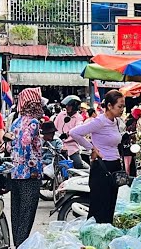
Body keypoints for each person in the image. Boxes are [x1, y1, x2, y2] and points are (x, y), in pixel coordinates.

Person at [70, 89, 127, 225]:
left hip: (114, 167)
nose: (122, 110)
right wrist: (92, 148)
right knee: (99, 209)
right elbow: (74, 133)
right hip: (102, 167)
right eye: (120, 106)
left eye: (123, 106)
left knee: (110, 208)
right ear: (109, 106)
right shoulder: (99, 121)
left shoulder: (116, 122)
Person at [8, 88, 45, 248]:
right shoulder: (33, 122)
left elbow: (10, 146)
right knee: (27, 210)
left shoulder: (16, 121)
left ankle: (17, 241)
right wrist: (34, 169)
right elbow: (26, 144)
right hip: (30, 173)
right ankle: (22, 245)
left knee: (16, 209)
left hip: (15, 172)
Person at [54, 95, 86, 167]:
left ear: (75, 106)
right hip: (58, 146)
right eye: (67, 105)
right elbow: (54, 126)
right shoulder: (61, 114)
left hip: (72, 147)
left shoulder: (79, 118)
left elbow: (78, 130)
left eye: (69, 106)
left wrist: (67, 135)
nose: (67, 107)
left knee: (78, 165)